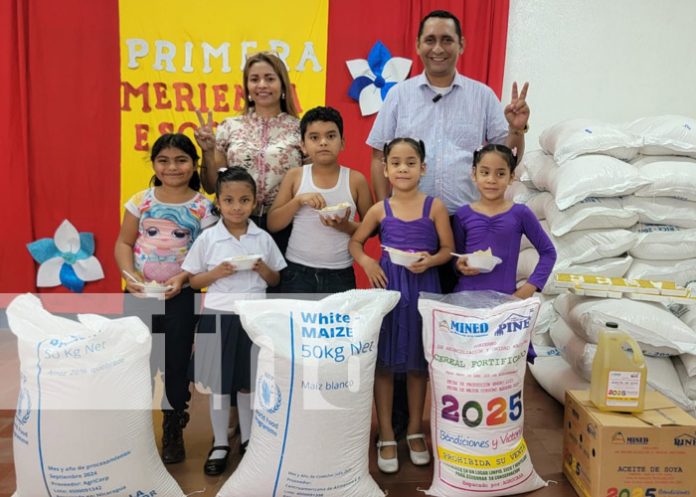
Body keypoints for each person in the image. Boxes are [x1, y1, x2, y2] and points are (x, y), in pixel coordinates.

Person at [366, 7, 530, 440]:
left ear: (462, 45)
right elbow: (378, 156)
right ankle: (399, 426)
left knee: (454, 326)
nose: (438, 47)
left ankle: (451, 422)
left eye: (447, 39)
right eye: (430, 39)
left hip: (462, 226)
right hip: (409, 227)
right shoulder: (399, 96)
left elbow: (507, 159)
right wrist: (387, 210)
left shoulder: (483, 97)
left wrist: (517, 130)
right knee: (402, 320)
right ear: (418, 46)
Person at [349, 138, 454, 474]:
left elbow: (447, 249)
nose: (403, 168)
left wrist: (432, 259)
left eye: (411, 162)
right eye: (396, 162)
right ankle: (387, 435)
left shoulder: (434, 206)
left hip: (424, 290)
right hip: (389, 290)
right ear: (386, 169)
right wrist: (367, 262)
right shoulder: (380, 209)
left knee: (416, 365)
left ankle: (414, 431)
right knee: (384, 363)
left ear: (423, 168)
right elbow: (355, 241)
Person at [114, 133, 217, 464]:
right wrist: (131, 277)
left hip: (181, 298)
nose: (172, 167)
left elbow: (205, 256)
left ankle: (173, 427)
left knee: (175, 364)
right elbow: (124, 243)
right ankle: (135, 429)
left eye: (181, 160)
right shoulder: (140, 201)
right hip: (140, 297)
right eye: (164, 160)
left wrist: (183, 277)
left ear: (194, 164)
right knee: (137, 362)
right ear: (154, 164)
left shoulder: (203, 207)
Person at [182, 167, 285, 476]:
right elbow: (193, 278)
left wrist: (261, 269)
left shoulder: (262, 238)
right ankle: (220, 443)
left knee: (248, 383)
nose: (237, 207)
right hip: (218, 315)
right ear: (218, 202)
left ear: (254, 202)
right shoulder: (209, 238)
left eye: (244, 200)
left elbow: (276, 277)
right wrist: (217, 274)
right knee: (219, 386)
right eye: (229, 200)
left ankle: (250, 440)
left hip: (254, 318)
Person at [194, 51, 303, 254]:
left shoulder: (300, 129)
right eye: (254, 79)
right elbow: (211, 186)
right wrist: (207, 151)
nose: (262, 85)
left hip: (287, 226)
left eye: (269, 78)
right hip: (236, 224)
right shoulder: (229, 126)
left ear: (283, 85)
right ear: (247, 88)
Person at [267, 106, 372, 293]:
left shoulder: (356, 180)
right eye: (314, 137)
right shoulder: (295, 176)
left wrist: (345, 226)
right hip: (297, 271)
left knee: (337, 323)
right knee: (297, 323)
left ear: (343, 142)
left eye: (331, 136)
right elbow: (273, 223)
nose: (323, 142)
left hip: (340, 273)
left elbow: (372, 229)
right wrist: (298, 201)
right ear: (303, 145)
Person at [453, 143, 556, 297]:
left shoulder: (520, 213)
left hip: (504, 303)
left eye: (500, 174)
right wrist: (458, 266)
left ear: (511, 177)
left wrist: (529, 287)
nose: (491, 180)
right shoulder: (462, 215)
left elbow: (548, 253)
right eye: (485, 172)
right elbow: (456, 257)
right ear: (474, 174)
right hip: (466, 300)